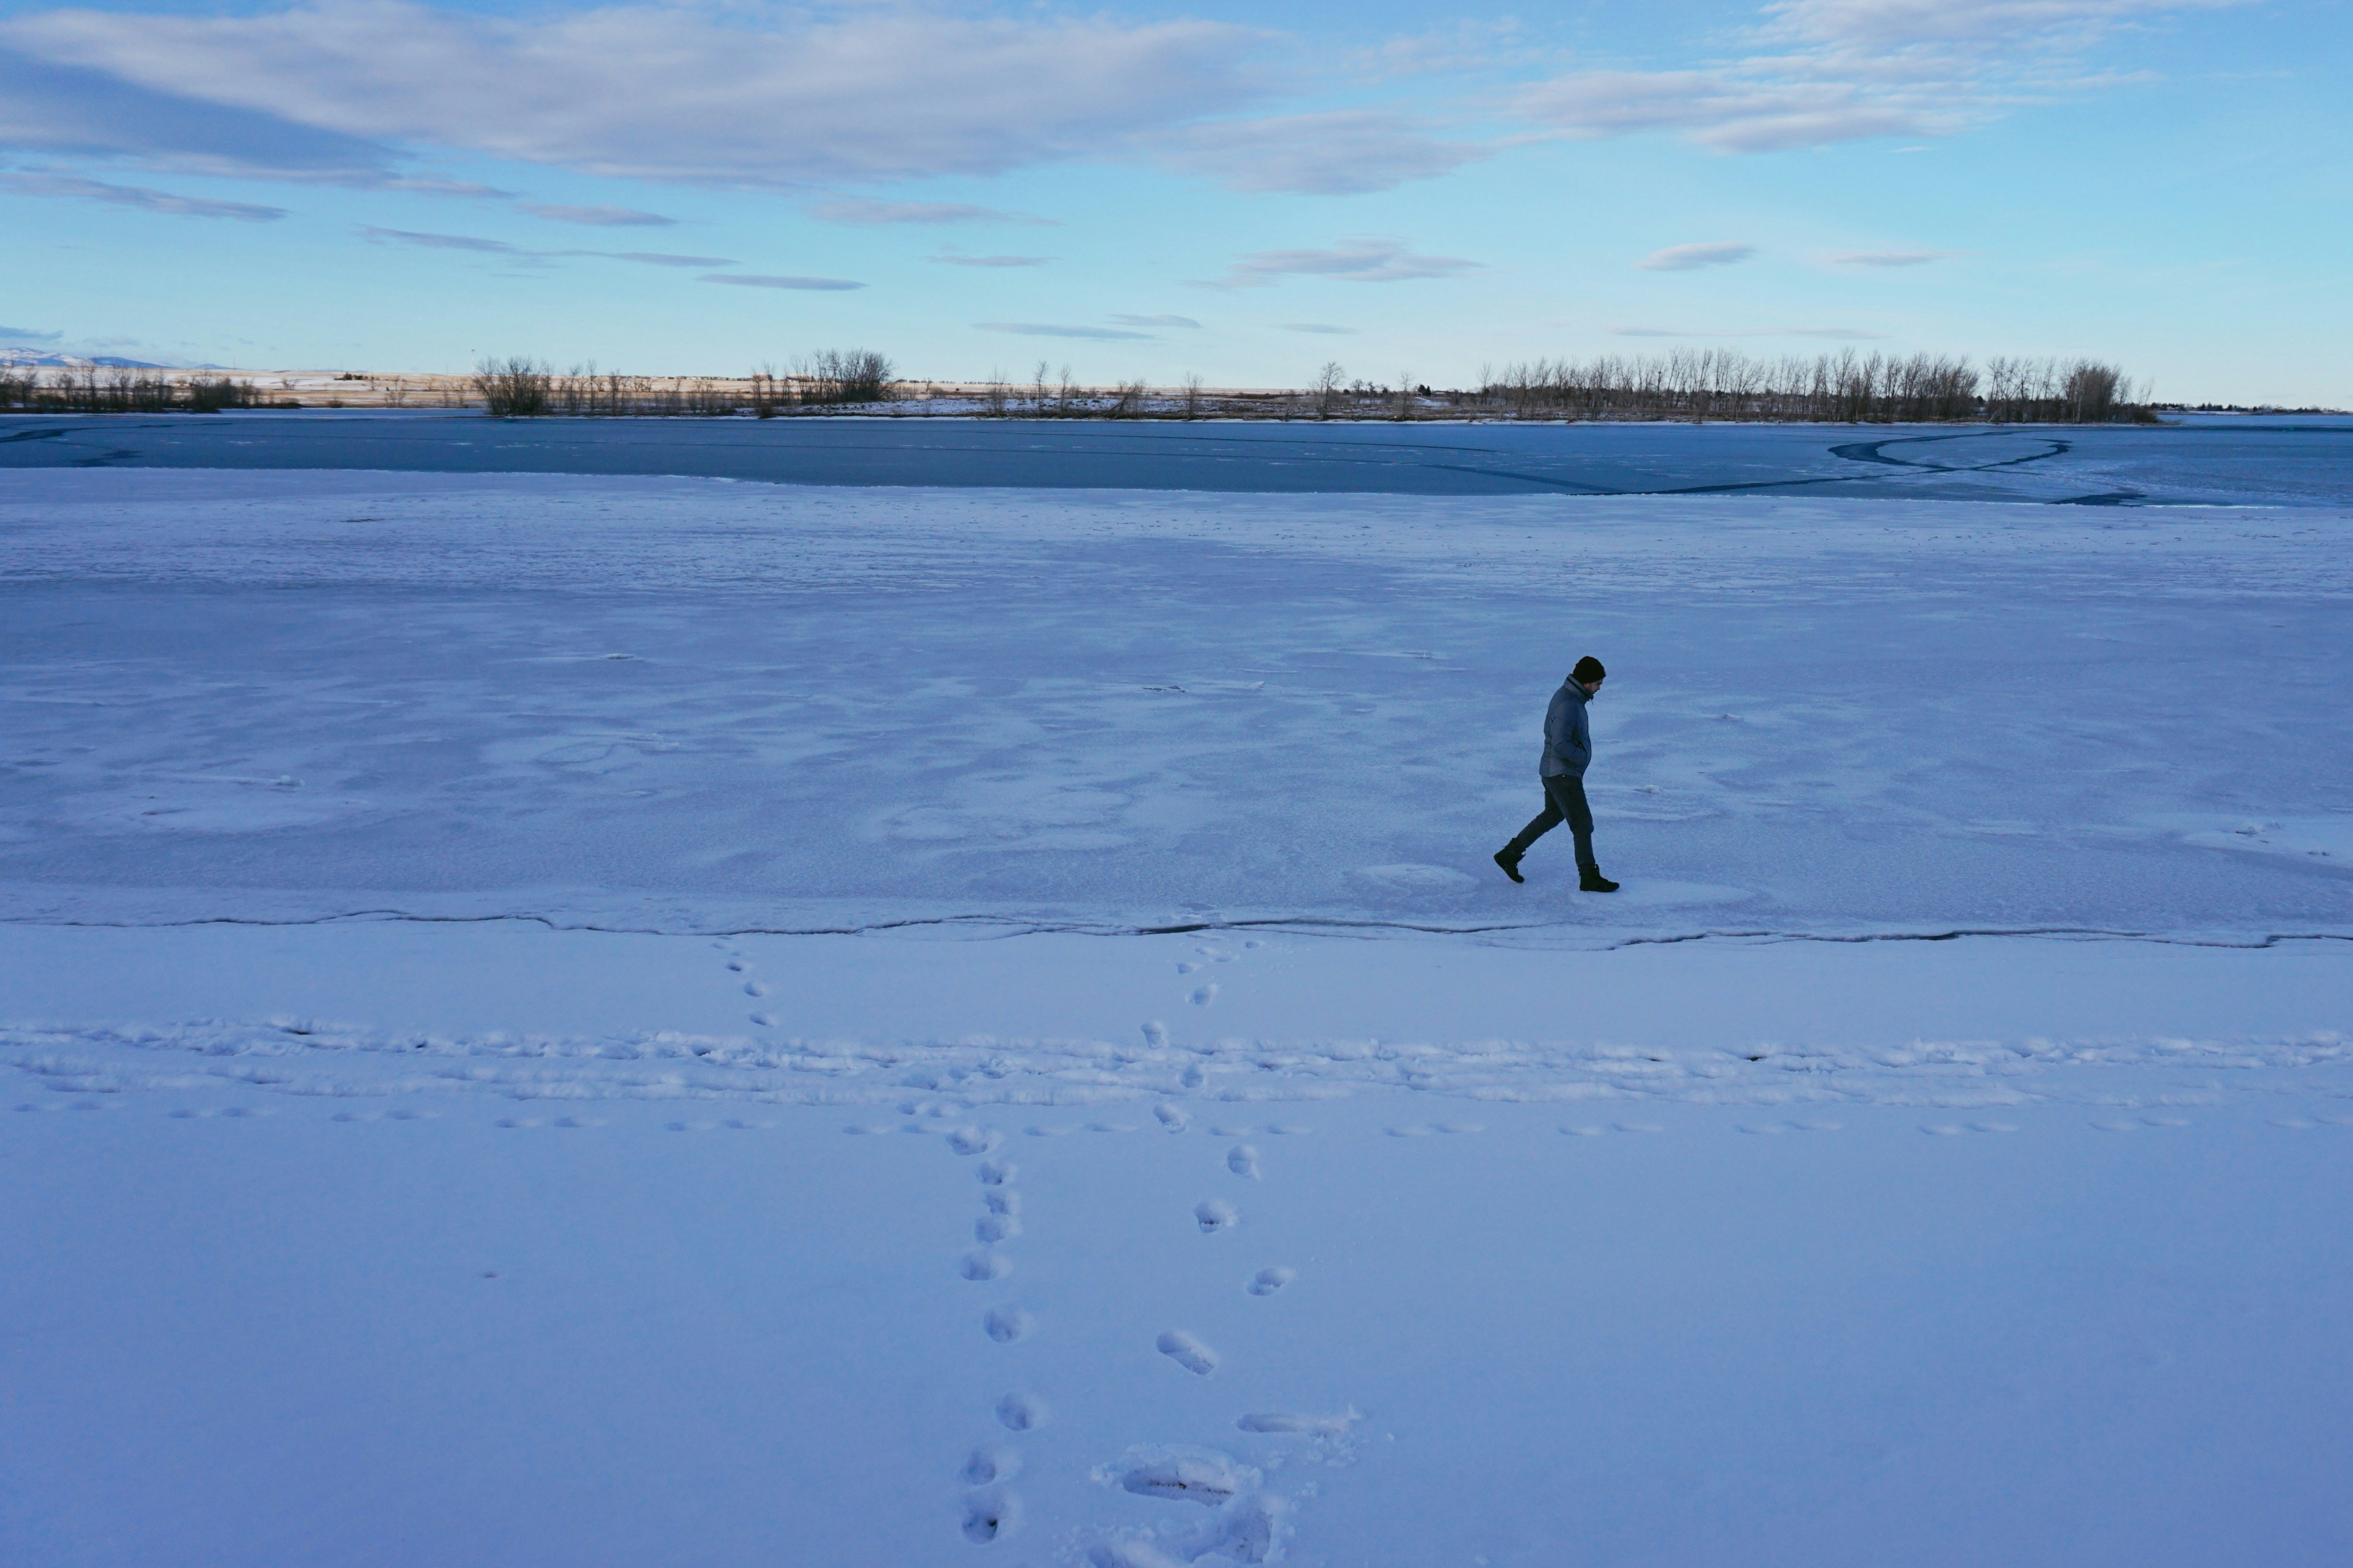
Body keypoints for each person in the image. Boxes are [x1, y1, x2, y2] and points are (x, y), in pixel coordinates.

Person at [1494, 655, 1618, 891]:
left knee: (1552, 815)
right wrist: (1582, 757)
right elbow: (1560, 744)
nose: (1600, 688)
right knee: (1583, 825)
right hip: (1563, 775)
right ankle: (1588, 876)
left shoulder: (1573, 698)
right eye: (1598, 683)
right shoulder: (1568, 704)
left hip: (1556, 772)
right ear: (1586, 681)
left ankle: (1509, 854)